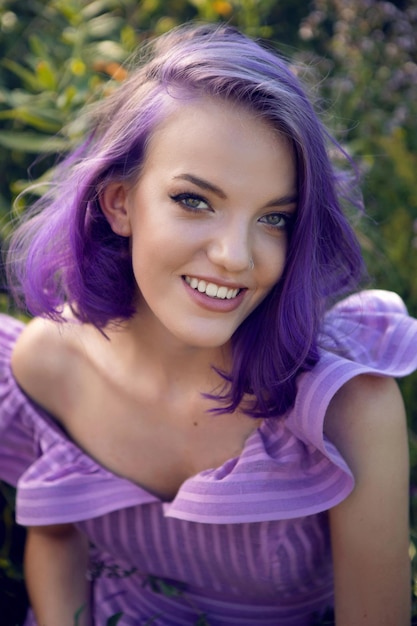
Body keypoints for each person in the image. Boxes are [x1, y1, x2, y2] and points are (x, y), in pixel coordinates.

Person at [0, 22, 415, 626]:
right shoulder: (50, 362)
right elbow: (59, 537)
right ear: (120, 203)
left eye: (274, 218)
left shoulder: (348, 409)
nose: (236, 257)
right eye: (194, 201)